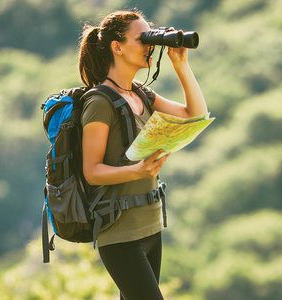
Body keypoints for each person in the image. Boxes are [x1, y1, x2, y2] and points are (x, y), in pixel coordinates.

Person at [78, 9, 208, 300]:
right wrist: (136, 171)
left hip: (150, 226)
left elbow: (196, 115)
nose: (150, 46)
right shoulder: (99, 103)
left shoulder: (142, 95)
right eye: (144, 38)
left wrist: (181, 66)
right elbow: (92, 171)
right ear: (117, 47)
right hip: (120, 233)